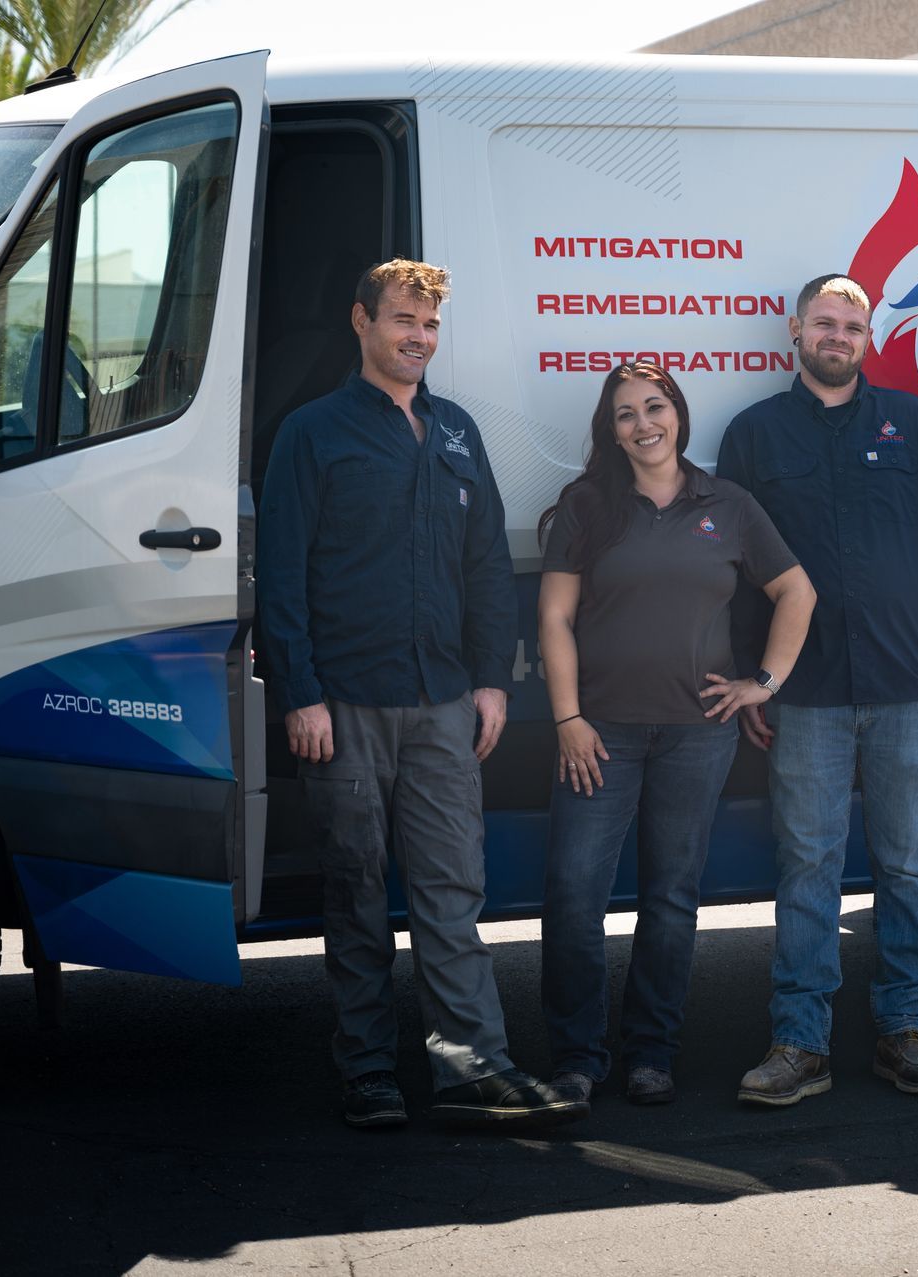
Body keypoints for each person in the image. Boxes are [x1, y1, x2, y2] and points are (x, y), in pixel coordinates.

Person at [259, 259, 577, 1129]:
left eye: (431, 325)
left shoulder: (456, 432)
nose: (419, 338)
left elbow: (485, 567)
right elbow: (282, 574)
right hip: (345, 704)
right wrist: (300, 693)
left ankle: (472, 1071)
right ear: (361, 321)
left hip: (444, 703)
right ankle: (368, 1071)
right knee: (356, 890)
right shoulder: (312, 433)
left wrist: (491, 678)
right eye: (404, 319)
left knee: (451, 892)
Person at [717, 274, 918, 1106]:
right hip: (807, 692)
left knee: (907, 866)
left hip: (908, 682)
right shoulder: (753, 433)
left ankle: (905, 1030)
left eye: (852, 325)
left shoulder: (912, 423)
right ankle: (801, 1041)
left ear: (870, 337)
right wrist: (754, 678)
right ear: (794, 332)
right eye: (824, 322)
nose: (838, 335)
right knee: (807, 867)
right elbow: (734, 572)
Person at [537, 361, 814, 1109]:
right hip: (600, 735)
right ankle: (577, 1058)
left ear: (679, 415)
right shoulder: (588, 506)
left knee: (670, 896)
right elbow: (555, 617)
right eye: (625, 413)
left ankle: (651, 1052)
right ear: (611, 429)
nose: (643, 424)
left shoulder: (728, 503)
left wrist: (765, 682)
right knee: (573, 895)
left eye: (655, 407)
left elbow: (796, 590)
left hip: (698, 734)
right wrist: (567, 719)